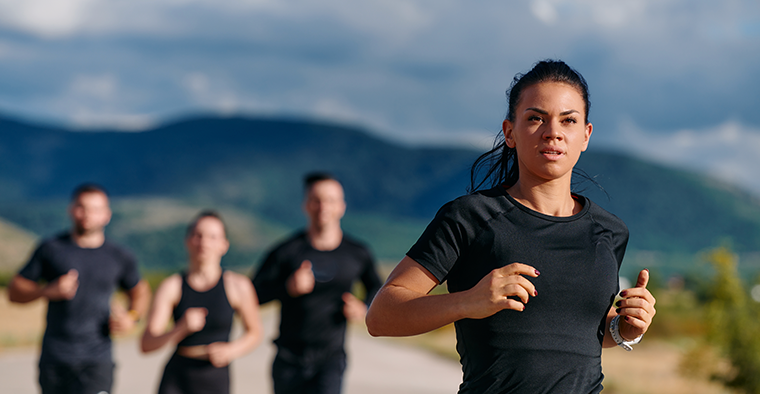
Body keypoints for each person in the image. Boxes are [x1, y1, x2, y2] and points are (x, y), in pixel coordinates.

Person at [365, 60, 657, 393]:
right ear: (510, 132)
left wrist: (624, 328)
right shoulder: (470, 217)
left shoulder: (610, 232)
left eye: (569, 120)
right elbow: (381, 316)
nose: (553, 132)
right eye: (535, 118)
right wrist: (468, 301)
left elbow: (578, 333)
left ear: (585, 135)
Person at [8, 183, 151, 394]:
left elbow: (140, 291)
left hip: (97, 360)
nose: (87, 214)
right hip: (55, 359)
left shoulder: (119, 256)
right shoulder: (51, 249)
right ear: (71, 210)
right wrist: (47, 291)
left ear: (107, 215)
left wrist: (132, 317)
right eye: (82, 207)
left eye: (95, 209)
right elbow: (14, 291)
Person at [251, 172, 383, 394]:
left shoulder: (357, 253)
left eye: (331, 200)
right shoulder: (286, 251)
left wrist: (363, 307)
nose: (323, 207)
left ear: (342, 206)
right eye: (317, 200)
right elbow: (252, 294)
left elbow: (377, 287)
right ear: (306, 205)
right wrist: (287, 288)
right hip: (288, 358)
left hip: (330, 359)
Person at [140, 210, 263, 394]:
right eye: (198, 236)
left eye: (212, 237)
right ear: (187, 241)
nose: (204, 243)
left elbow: (254, 333)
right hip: (177, 380)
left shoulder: (238, 286)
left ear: (224, 245)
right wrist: (180, 329)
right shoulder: (172, 287)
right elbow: (146, 344)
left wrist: (231, 351)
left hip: (216, 379)